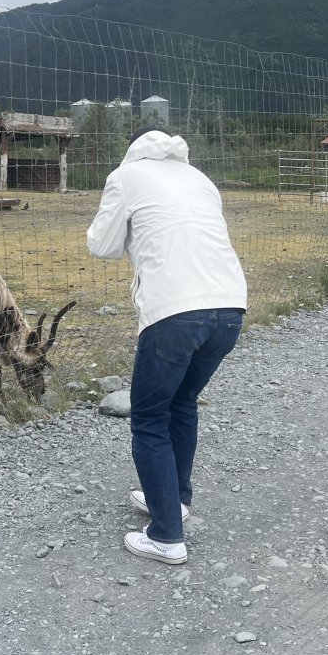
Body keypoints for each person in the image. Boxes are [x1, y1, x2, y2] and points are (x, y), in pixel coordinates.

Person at [86, 123, 246, 565]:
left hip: (175, 311)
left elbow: (102, 246)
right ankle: (175, 501)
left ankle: (166, 537)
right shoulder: (200, 179)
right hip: (231, 307)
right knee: (183, 403)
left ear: (133, 147)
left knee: (150, 416)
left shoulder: (127, 176)